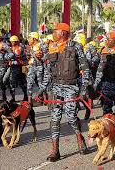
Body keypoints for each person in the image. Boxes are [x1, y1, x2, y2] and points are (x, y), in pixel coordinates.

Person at [43, 23, 90, 162]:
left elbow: (85, 69)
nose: (53, 34)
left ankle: (79, 137)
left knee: (71, 117)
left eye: (55, 31)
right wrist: (42, 88)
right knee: (55, 119)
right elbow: (47, 71)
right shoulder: (51, 47)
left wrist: (84, 89)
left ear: (63, 33)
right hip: (56, 87)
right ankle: (55, 151)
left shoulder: (76, 47)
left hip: (71, 87)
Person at [4, 35, 28, 102]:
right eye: (11, 41)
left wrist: (12, 62)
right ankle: (13, 97)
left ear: (16, 42)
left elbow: (20, 61)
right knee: (11, 82)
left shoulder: (19, 49)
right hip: (14, 67)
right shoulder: (11, 48)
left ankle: (26, 96)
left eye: (13, 41)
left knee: (22, 82)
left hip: (20, 67)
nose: (11, 43)